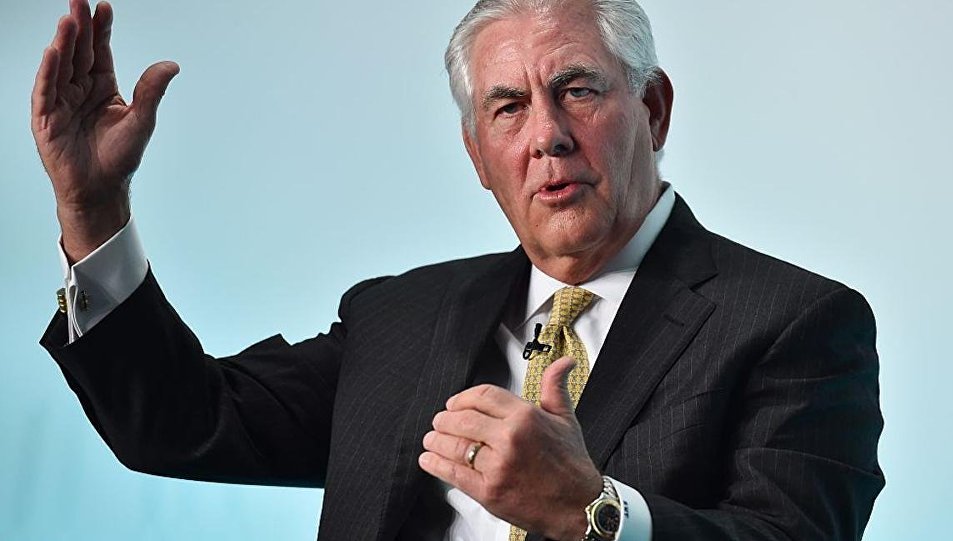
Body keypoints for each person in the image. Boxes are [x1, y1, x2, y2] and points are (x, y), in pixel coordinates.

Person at [32, 0, 884, 539]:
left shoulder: (797, 322)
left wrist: (591, 512)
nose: (546, 135)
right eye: (507, 107)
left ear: (653, 109)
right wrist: (93, 211)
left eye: (578, 89)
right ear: (478, 155)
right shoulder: (399, 318)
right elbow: (185, 421)